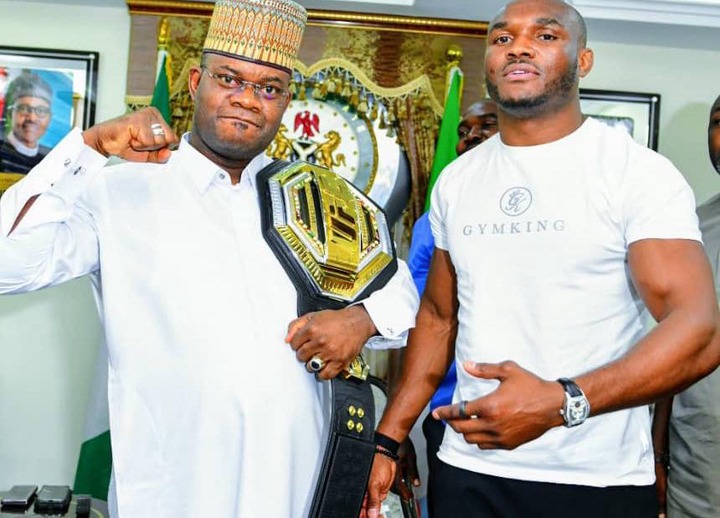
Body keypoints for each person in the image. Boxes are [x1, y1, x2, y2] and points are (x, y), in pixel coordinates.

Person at [0, 1, 418, 517]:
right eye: (229, 78)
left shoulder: (314, 195)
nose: (248, 99)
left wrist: (361, 319)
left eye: (269, 88)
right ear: (197, 81)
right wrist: (88, 146)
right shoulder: (119, 191)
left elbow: (401, 292)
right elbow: (8, 264)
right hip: (174, 489)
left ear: (285, 102)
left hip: (297, 485)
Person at [363, 1, 720, 517]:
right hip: (468, 468)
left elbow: (698, 330)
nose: (519, 48)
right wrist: (388, 438)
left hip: (595, 478)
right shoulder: (458, 181)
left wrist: (562, 402)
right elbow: (438, 318)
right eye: (502, 38)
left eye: (546, 36)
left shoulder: (636, 172)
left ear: (584, 61)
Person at [405, 99, 498, 513]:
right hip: (450, 408)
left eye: (486, 125)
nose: (471, 137)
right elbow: (419, 317)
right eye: (463, 131)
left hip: (537, 414)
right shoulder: (431, 223)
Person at [653, 95, 720, 518]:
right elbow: (673, 340)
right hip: (698, 464)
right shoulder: (690, 228)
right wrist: (657, 451)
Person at [0, 71, 53, 174]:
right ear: (10, 113)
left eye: (41, 110)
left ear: (49, 118)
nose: (32, 118)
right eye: (24, 109)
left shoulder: (52, 159)